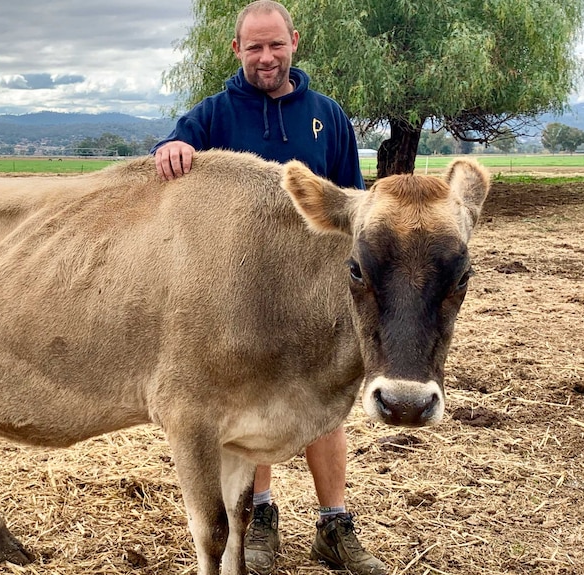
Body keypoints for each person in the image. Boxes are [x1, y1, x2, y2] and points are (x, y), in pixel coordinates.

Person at [152, 2, 387, 575]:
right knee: (252, 405)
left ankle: (335, 526)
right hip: (241, 298)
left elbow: (351, 210)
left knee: (324, 409)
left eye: (275, 45)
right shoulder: (210, 115)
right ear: (236, 51)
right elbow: (171, 153)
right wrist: (172, 147)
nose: (265, 57)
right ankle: (261, 521)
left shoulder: (327, 117)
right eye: (253, 47)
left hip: (312, 297)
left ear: (294, 43)